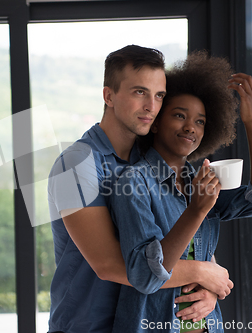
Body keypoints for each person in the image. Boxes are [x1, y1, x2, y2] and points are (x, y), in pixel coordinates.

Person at [47, 46, 234, 333]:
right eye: (139, 92)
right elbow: (108, 264)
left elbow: (185, 238)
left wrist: (207, 287)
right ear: (109, 96)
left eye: (159, 95)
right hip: (88, 326)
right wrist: (203, 273)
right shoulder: (76, 164)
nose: (151, 106)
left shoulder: (153, 162)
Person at [109, 51, 252, 333]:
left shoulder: (201, 182)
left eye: (200, 121)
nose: (191, 127)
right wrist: (197, 209)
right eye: (179, 116)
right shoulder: (133, 182)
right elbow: (145, 274)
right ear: (155, 122)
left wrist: (251, 122)